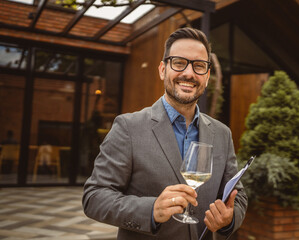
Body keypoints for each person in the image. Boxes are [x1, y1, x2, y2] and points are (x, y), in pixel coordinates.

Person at [82, 27, 248, 240]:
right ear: (162, 69)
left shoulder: (222, 133)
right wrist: (151, 210)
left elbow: (238, 195)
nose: (189, 73)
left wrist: (230, 218)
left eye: (199, 66)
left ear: (207, 76)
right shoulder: (128, 127)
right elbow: (94, 197)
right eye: (179, 63)